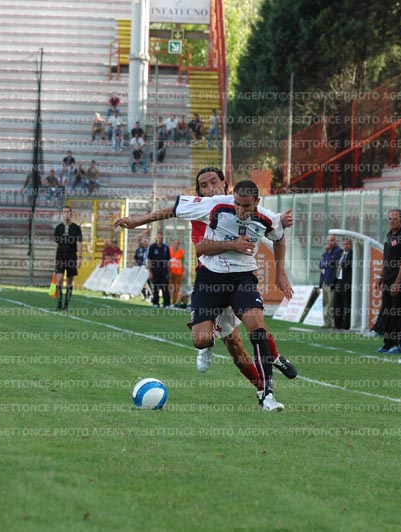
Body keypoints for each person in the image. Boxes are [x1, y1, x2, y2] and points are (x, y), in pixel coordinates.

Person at [114, 170, 297, 411]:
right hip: (210, 278)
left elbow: (278, 235)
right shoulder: (211, 206)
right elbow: (189, 232)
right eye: (204, 184)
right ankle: (212, 342)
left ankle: (267, 393)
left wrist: (280, 272)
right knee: (205, 340)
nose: (241, 210)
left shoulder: (265, 216)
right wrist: (138, 220)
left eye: (214, 182)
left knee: (257, 328)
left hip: (242, 278)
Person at [376, 209, 401, 354]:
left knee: (399, 313)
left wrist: (397, 283)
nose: (392, 221)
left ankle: (399, 344)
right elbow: (387, 260)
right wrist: (381, 277)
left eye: (395, 218)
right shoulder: (389, 236)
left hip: (400, 282)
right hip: (388, 279)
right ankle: (387, 343)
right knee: (388, 312)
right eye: (390, 218)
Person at [53, 205, 83, 312]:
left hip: (71, 256)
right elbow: (56, 244)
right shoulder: (58, 228)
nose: (66, 214)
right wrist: (55, 258)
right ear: (62, 214)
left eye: (68, 212)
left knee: (70, 281)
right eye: (64, 212)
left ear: (71, 213)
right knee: (59, 279)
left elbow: (79, 244)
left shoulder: (76, 228)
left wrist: (79, 258)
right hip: (60, 256)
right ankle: (59, 303)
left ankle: (66, 305)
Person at [318, 235, 342, 328]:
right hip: (324, 280)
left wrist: (325, 253)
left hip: (331, 280)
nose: (329, 243)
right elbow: (321, 264)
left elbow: (332, 262)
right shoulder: (329, 251)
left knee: (331, 303)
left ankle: (332, 322)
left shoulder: (338, 251)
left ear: (336, 241)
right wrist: (326, 260)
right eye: (328, 241)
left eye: (331, 240)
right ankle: (326, 322)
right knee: (325, 302)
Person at [146, 232, 171, 308]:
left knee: (165, 287)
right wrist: (150, 272)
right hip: (155, 270)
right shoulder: (152, 247)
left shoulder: (166, 247)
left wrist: (169, 271)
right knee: (155, 287)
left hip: (164, 270)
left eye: (161, 238)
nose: (160, 239)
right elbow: (149, 260)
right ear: (156, 238)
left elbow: (168, 260)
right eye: (159, 238)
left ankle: (166, 304)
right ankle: (155, 303)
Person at [334, 238, 353, 330]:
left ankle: (347, 325)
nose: (345, 246)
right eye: (344, 244)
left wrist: (348, 282)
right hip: (338, 281)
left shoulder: (352, 255)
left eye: (347, 244)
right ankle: (338, 324)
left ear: (351, 245)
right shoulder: (341, 254)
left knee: (347, 304)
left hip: (346, 282)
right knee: (337, 303)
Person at [168, 238, 185, 308]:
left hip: (178, 272)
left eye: (178, 243)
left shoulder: (182, 252)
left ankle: (174, 302)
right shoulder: (169, 250)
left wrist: (184, 272)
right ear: (173, 243)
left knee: (176, 288)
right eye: (175, 243)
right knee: (168, 287)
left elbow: (183, 262)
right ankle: (167, 301)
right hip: (170, 271)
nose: (176, 245)